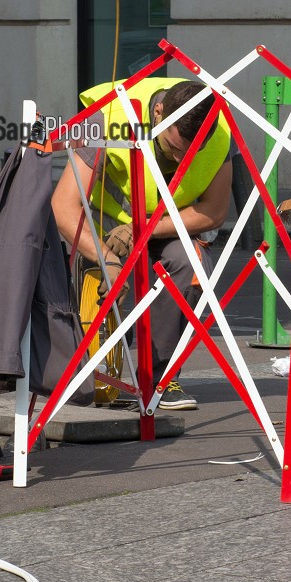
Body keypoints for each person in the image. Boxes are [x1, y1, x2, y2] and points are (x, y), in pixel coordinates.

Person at [50, 78, 233, 411]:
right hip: (106, 221)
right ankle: (103, 370)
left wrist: (144, 230)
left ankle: (161, 378)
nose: (180, 160)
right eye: (173, 146)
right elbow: (63, 206)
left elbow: (214, 212)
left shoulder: (218, 130)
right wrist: (108, 260)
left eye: (190, 153)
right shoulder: (108, 116)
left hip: (162, 226)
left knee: (191, 264)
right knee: (111, 280)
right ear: (159, 112)